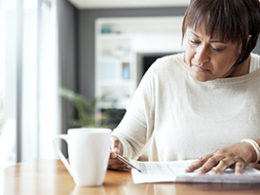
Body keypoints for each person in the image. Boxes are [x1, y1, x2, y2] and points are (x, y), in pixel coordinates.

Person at [108, 0, 260, 175]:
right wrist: (114, 150)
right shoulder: (163, 72)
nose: (200, 57)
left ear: (245, 44)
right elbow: (127, 140)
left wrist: (252, 148)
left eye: (217, 48)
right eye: (194, 41)